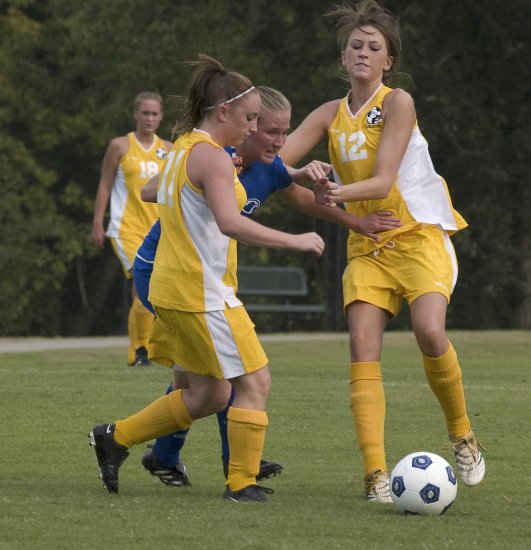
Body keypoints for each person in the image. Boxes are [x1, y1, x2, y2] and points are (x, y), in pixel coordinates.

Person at [133, 85, 402, 489]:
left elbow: (304, 199)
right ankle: (238, 465)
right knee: (227, 372)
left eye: (285, 132)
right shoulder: (214, 155)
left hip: (201, 278)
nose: (280, 141)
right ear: (248, 125)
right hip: (162, 268)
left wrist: (356, 222)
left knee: (201, 377)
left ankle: (164, 454)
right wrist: (212, 173)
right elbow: (149, 191)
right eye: (270, 130)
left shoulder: (271, 166)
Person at [89, 55, 326, 503]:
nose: (252, 128)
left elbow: (168, 193)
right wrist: (295, 240)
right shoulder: (213, 158)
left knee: (211, 394)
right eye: (249, 118)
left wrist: (282, 173)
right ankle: (241, 483)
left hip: (172, 289)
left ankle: (114, 437)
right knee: (255, 381)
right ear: (224, 112)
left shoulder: (183, 146)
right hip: (202, 295)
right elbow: (230, 222)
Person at [280, 0, 485, 503]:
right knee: (361, 347)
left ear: (388, 61)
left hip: (417, 235)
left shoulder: (398, 103)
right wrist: (302, 178)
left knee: (429, 331)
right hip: (369, 244)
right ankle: (375, 476)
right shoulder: (327, 114)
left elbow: (383, 179)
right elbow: (277, 169)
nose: (363, 53)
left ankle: (462, 434)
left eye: (374, 47)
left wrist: (329, 191)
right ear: (343, 56)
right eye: (356, 45)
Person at [91, 92, 172, 367]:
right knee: (142, 284)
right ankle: (140, 350)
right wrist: (97, 223)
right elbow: (105, 185)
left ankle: (145, 348)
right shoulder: (120, 146)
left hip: (158, 229)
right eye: (145, 113)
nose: (149, 118)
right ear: (135, 114)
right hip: (125, 227)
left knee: (149, 288)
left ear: (161, 117)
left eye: (154, 114)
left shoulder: (169, 149)